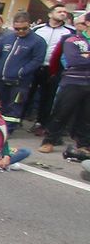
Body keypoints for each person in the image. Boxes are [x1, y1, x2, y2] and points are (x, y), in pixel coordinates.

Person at [39, 11, 90, 154]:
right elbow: (75, 61)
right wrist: (83, 58)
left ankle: (84, 144)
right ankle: (49, 141)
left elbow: (82, 60)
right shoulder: (72, 40)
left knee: (87, 116)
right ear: (87, 23)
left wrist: (86, 57)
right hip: (73, 81)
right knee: (61, 112)